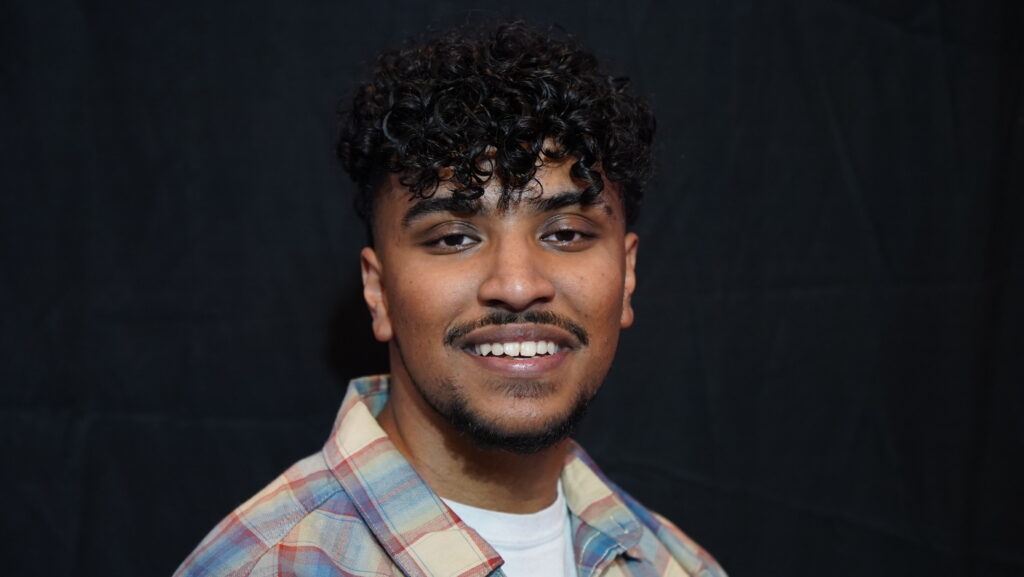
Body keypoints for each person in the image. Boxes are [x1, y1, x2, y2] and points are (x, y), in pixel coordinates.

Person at [175, 21, 726, 577]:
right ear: (378, 291)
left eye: (565, 234)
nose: (516, 286)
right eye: (453, 239)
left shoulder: (678, 567)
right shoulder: (267, 567)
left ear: (627, 275)